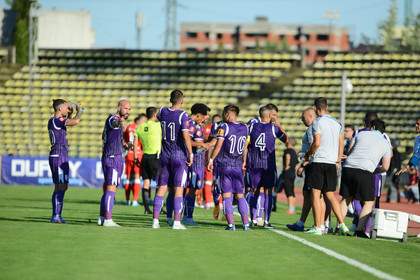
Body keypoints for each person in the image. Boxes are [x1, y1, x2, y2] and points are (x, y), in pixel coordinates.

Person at [339, 119, 392, 238]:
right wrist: (375, 171)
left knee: (346, 199)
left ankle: (339, 227)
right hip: (365, 170)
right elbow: (385, 167)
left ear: (372, 127)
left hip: (349, 167)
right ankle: (358, 231)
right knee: (368, 202)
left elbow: (349, 151)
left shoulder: (361, 134)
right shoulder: (385, 143)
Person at [304, 97, 348, 236]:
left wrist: (308, 155)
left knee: (315, 194)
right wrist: (337, 160)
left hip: (319, 160)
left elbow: (317, 143)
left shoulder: (317, 122)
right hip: (331, 162)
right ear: (327, 107)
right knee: (330, 194)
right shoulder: (336, 123)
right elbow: (341, 143)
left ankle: (318, 227)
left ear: (316, 109)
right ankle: (342, 224)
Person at [152, 90, 193, 230]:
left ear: (170, 100)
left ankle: (155, 221)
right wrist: (191, 154)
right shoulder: (183, 115)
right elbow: (186, 136)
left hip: (164, 156)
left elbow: (158, 116)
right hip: (179, 157)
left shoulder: (163, 111)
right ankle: (176, 222)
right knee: (178, 190)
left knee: (161, 188)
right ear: (181, 101)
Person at [207, 105, 250, 231]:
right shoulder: (245, 128)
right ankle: (246, 224)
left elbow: (218, 145)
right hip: (237, 166)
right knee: (240, 195)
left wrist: (211, 160)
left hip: (225, 165)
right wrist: (244, 162)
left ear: (227, 114)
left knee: (226, 195)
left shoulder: (224, 127)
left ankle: (231, 225)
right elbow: (245, 147)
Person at [244, 106, 288, 228]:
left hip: (254, 163)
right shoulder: (274, 128)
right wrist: (279, 125)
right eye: (273, 115)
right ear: (269, 116)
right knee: (268, 190)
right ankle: (266, 221)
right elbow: (286, 140)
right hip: (268, 165)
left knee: (254, 190)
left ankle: (253, 219)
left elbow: (246, 141)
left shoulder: (252, 126)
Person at [98, 99, 131, 227]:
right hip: (112, 158)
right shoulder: (114, 118)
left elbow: (106, 137)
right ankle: (108, 219)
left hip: (112, 156)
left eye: (129, 109)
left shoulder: (114, 121)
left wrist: (124, 145)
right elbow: (114, 122)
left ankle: (102, 217)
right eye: (126, 108)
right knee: (111, 188)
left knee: (109, 188)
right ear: (119, 107)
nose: (128, 111)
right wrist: (119, 122)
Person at [48, 99, 83, 223]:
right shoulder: (56, 120)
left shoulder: (56, 122)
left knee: (60, 186)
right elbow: (76, 121)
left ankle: (56, 215)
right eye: (66, 108)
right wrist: (79, 111)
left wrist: (69, 115)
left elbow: (67, 124)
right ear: (60, 109)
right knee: (61, 186)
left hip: (58, 155)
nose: (68, 109)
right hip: (59, 155)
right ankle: (56, 216)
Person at [287, 108, 317, 232]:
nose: (301, 119)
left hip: (312, 165)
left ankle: (321, 224)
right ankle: (302, 223)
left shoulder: (312, 128)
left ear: (310, 116)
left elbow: (312, 148)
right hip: (311, 164)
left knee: (316, 195)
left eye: (303, 117)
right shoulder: (313, 128)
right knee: (309, 194)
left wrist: (303, 165)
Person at [182, 103, 211, 226]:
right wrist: (204, 145)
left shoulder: (190, 123)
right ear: (199, 115)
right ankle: (187, 217)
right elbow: (188, 140)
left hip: (193, 160)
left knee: (186, 189)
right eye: (206, 116)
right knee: (192, 189)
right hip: (194, 161)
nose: (207, 119)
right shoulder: (192, 125)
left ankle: (179, 216)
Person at [133, 107, 162, 214]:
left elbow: (135, 143)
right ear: (155, 115)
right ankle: (158, 208)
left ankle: (146, 209)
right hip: (155, 157)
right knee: (160, 184)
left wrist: (136, 157)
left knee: (146, 182)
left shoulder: (140, 126)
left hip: (144, 157)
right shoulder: (158, 126)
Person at [123, 114, 147, 206]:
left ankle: (127, 200)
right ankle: (134, 201)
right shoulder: (141, 128)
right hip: (138, 155)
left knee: (128, 178)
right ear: (141, 120)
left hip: (129, 155)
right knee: (137, 178)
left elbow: (125, 139)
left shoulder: (129, 127)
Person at [396, 117, 420, 200]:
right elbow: (416, 156)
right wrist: (407, 167)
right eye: (416, 123)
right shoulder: (417, 139)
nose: (416, 125)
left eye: (418, 124)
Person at [201, 114, 221, 209]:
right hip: (219, 160)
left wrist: (209, 160)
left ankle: (207, 202)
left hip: (208, 159)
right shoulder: (223, 129)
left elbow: (207, 146)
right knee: (218, 182)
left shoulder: (205, 129)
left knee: (208, 182)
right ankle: (220, 203)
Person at [281, 138, 299, 214]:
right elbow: (298, 164)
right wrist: (293, 168)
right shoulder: (294, 152)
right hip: (292, 173)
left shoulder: (287, 151)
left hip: (287, 173)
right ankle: (293, 209)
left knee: (288, 192)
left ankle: (290, 210)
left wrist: (287, 166)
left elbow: (287, 157)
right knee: (292, 191)